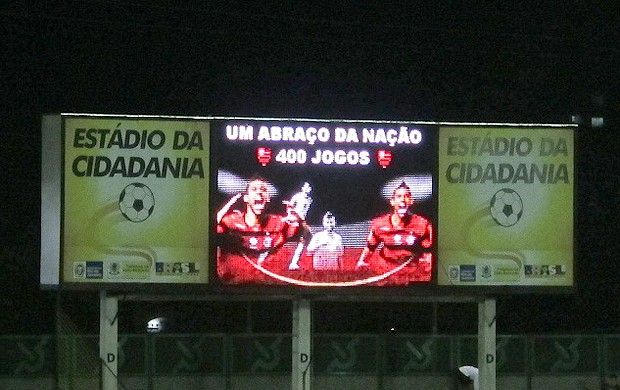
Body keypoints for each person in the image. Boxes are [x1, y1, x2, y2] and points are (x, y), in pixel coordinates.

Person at [216, 178, 302, 282]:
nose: (260, 192)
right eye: (254, 189)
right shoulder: (230, 222)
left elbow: (305, 237)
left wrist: (297, 220)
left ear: (268, 198)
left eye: (263, 190)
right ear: (246, 198)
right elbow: (211, 233)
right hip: (233, 289)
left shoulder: (279, 223)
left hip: (269, 288)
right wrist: (226, 207)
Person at [355, 182, 433, 280]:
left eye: (407, 196)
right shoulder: (379, 224)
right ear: (392, 201)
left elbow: (428, 252)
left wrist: (428, 264)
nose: (403, 200)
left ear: (411, 201)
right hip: (385, 273)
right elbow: (370, 248)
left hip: (411, 275)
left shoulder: (422, 224)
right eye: (399, 196)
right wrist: (362, 262)